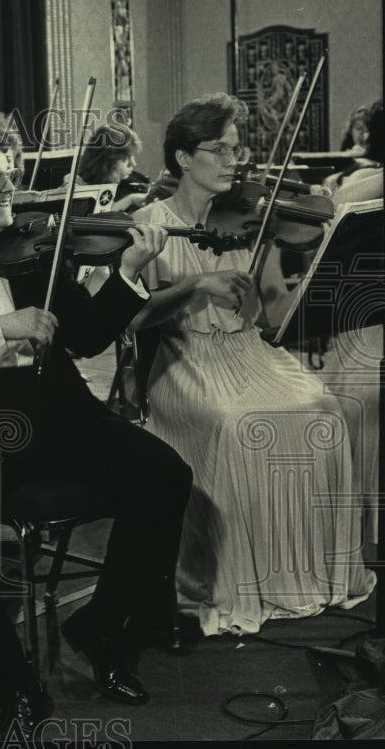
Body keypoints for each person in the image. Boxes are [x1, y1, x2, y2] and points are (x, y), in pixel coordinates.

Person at [0, 124, 192, 721]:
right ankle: (8, 676)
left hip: (57, 417)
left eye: (11, 175)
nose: (10, 188)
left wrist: (128, 269)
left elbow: (86, 334)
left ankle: (101, 627)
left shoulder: (32, 251)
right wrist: (3, 328)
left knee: (164, 474)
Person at [130, 93, 375, 637]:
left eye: (237, 149)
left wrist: (321, 270)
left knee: (325, 411)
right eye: (219, 149)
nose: (234, 161)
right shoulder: (148, 224)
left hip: (250, 352)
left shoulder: (252, 219)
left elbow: (271, 311)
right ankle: (233, 580)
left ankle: (307, 574)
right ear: (182, 158)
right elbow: (137, 318)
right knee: (239, 426)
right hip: (183, 358)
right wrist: (194, 285)